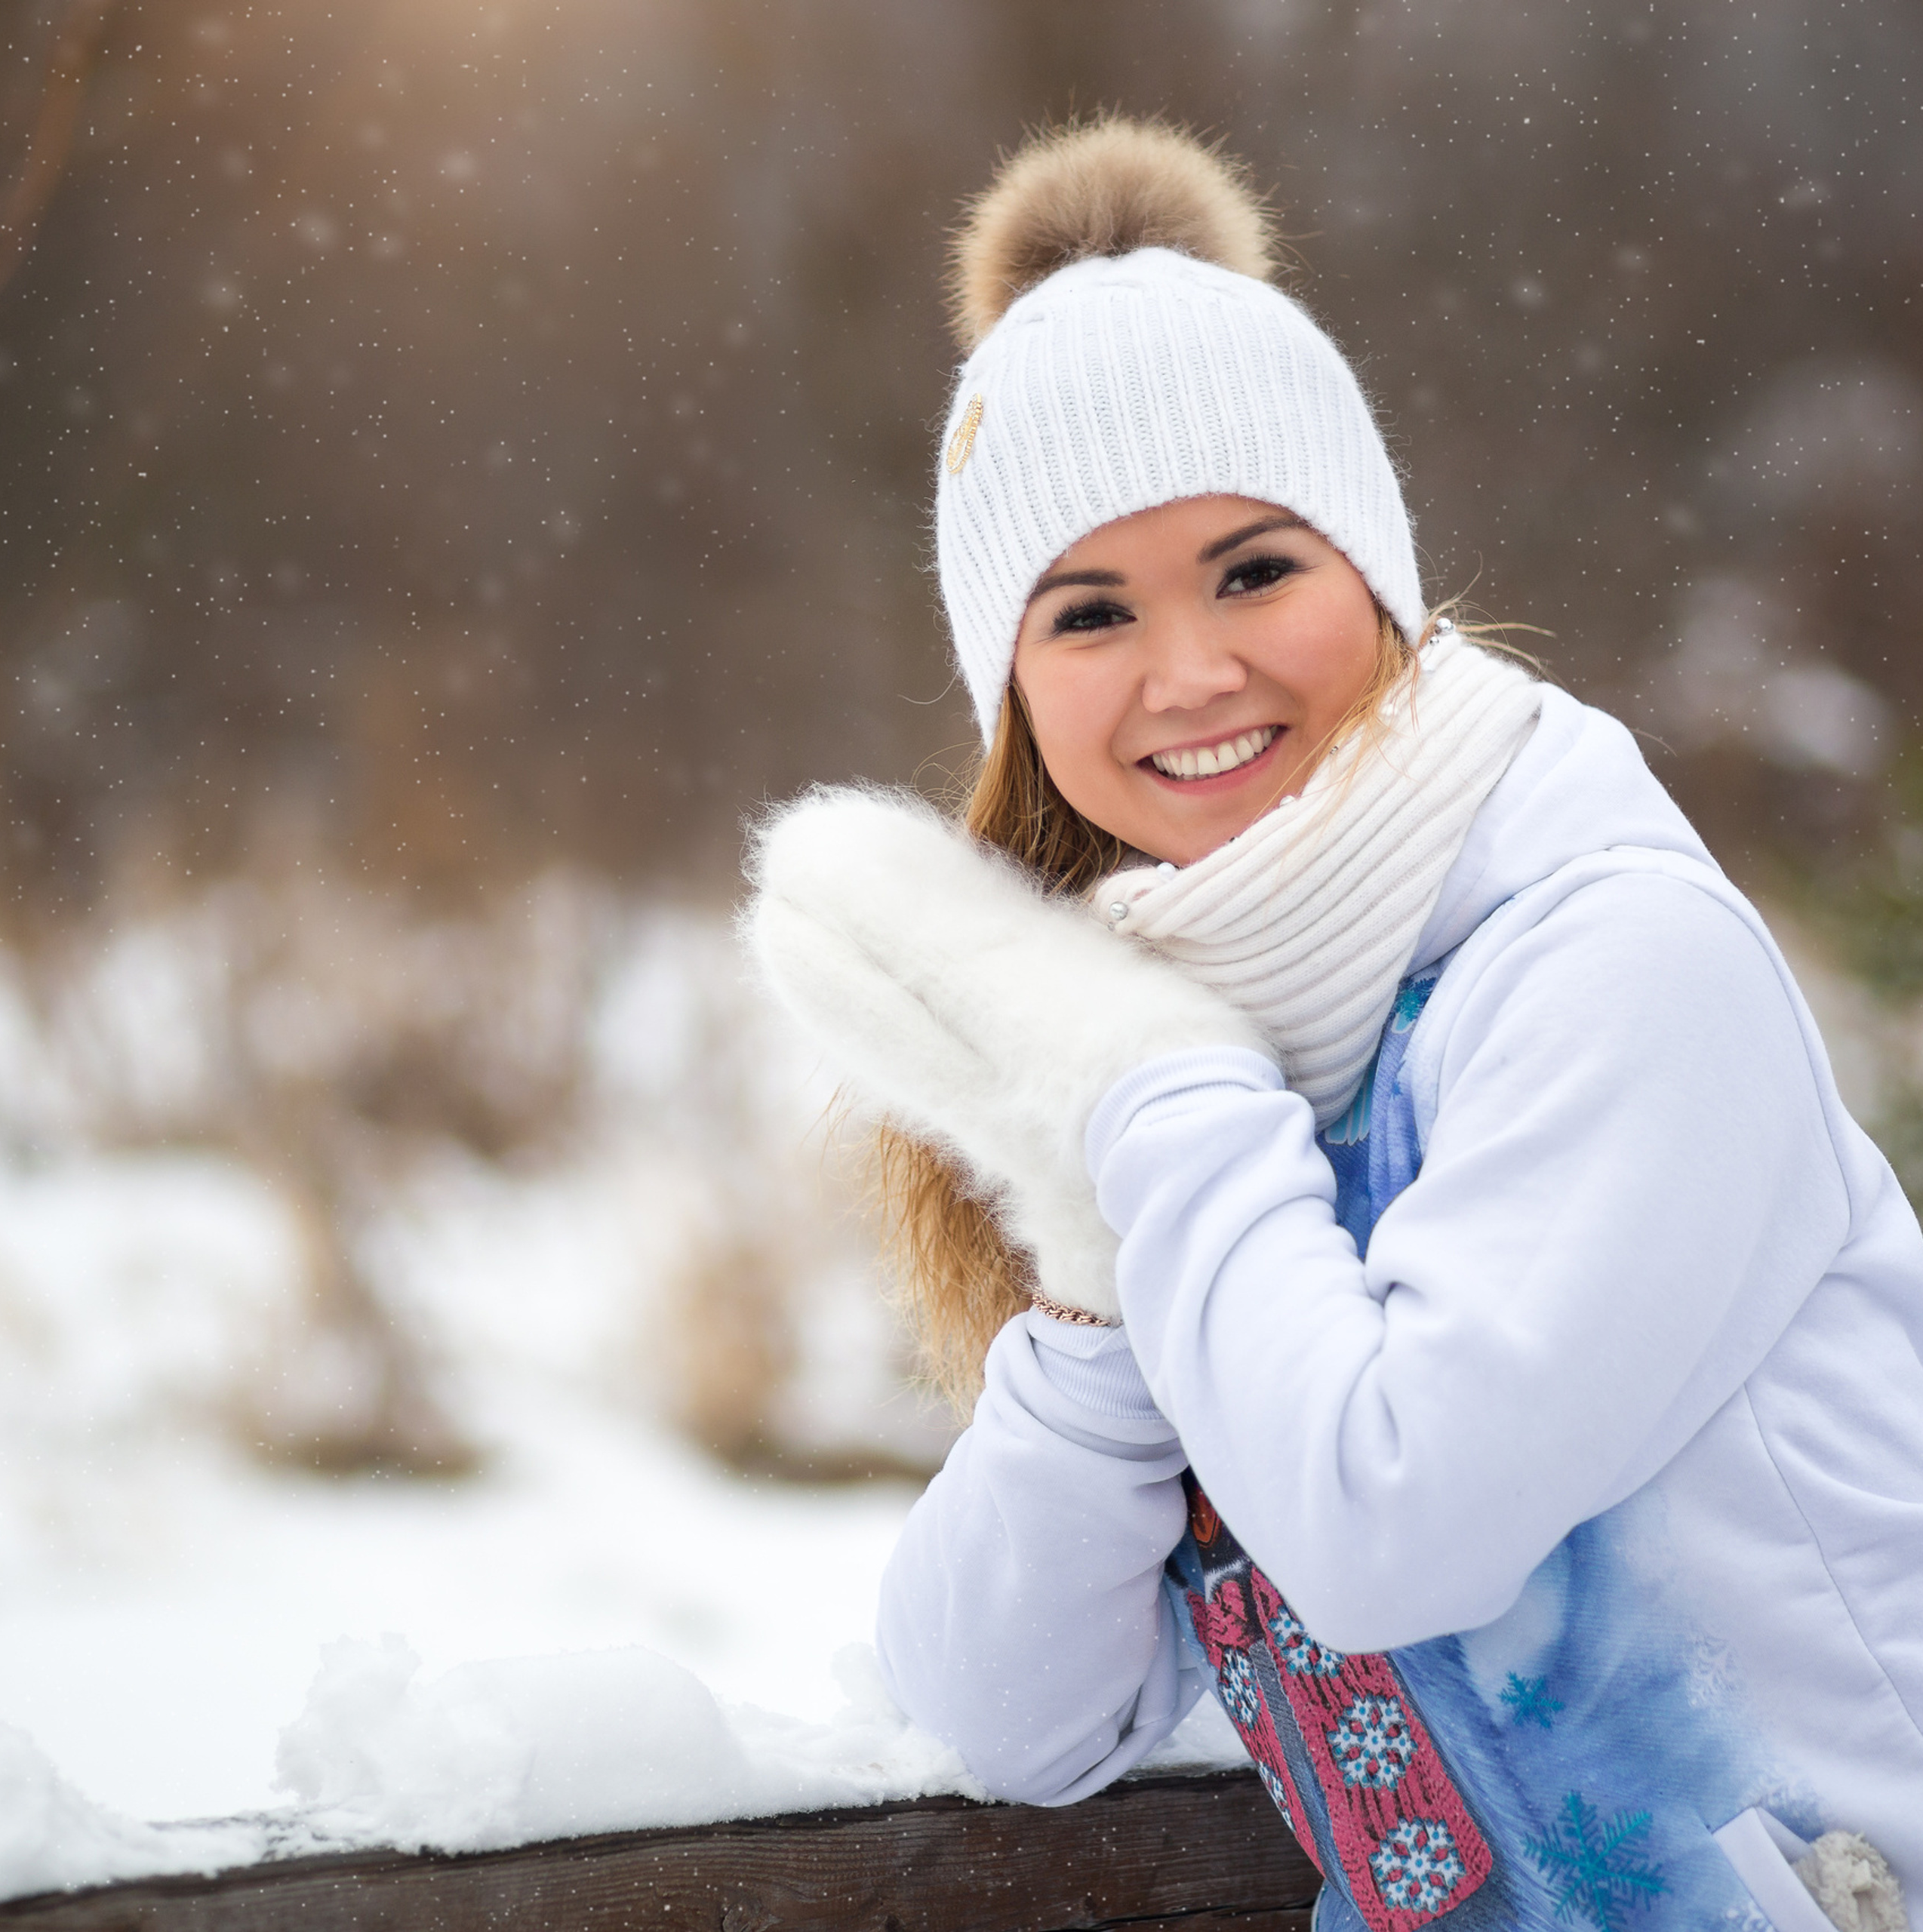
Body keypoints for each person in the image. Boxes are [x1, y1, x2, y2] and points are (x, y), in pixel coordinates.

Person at [744, 117, 1921, 1932]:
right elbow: (1004, 1704)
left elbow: (1390, 1519)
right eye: (1088, 611)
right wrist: (1084, 1234)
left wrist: (1142, 1086)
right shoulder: (1212, 1051)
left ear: (1370, 571)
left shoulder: (1610, 962)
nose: (1189, 669)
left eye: (1250, 568)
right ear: (1012, 687)